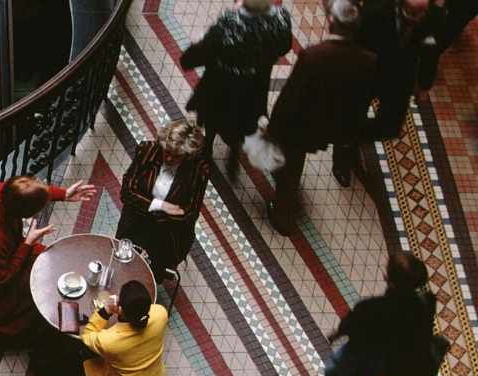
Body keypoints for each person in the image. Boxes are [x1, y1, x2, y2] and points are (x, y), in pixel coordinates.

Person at [266, 0, 376, 232]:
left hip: (299, 125)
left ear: (332, 21)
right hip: (327, 127)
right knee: (296, 158)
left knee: (291, 166)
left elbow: (291, 97)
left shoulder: (313, 57)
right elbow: (359, 101)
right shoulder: (368, 61)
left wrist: (274, 128)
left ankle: (284, 216)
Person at [324, 251, 436, 376]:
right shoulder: (422, 306)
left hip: (357, 354)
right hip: (383, 362)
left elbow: (350, 325)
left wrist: (335, 335)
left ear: (390, 281)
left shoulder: (373, 308)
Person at [0, 176, 97, 338]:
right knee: (34, 290)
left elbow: (30, 192)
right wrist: (28, 243)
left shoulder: (3, 192)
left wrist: (63, 194)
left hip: (3, 253)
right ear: (23, 212)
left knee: (47, 258)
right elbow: (2, 278)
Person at [181, 0, 293, 179]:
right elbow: (285, 46)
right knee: (245, 119)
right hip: (255, 85)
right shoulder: (281, 19)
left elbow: (208, 48)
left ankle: (207, 148)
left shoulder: (231, 20)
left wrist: (195, 46)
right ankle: (233, 154)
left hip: (221, 83)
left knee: (212, 114)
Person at [115, 119, 210, 279]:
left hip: (166, 231)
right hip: (135, 221)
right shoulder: (147, 151)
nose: (170, 159)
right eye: (167, 152)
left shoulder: (198, 172)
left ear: (187, 155)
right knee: (123, 260)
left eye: (177, 156)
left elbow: (190, 212)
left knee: (151, 273)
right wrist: (160, 205)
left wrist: (161, 212)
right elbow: (127, 191)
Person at [78, 281, 170, 376]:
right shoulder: (161, 314)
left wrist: (106, 311)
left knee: (83, 353)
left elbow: (87, 335)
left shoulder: (111, 342)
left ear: (121, 309)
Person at [356, 0, 447, 140]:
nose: (419, 17)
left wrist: (424, 85)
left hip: (402, 76)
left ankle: (367, 134)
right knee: (355, 111)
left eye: (423, 11)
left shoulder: (433, 18)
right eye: (414, 13)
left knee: (390, 126)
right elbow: (358, 43)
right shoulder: (376, 11)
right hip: (371, 70)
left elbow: (431, 54)